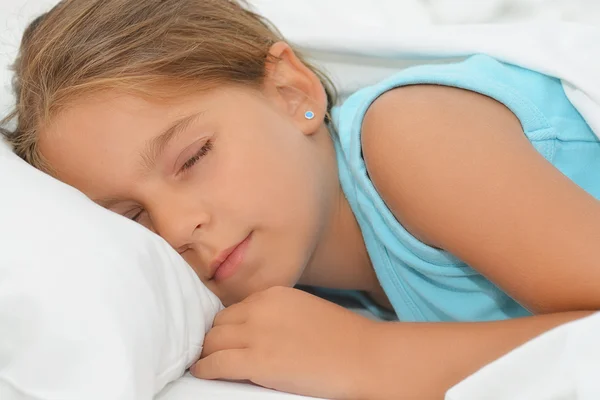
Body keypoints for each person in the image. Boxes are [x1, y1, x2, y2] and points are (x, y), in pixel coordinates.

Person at [2, 0, 599, 398]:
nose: (181, 227)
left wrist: (373, 357)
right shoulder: (310, 300)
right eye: (134, 219)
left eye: (194, 157)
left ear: (291, 91)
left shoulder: (414, 135)